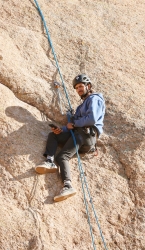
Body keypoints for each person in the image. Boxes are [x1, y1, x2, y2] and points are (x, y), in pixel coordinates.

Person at [35, 74, 105, 202]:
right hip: (79, 134)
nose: (79, 89)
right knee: (53, 135)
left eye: (81, 86)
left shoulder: (94, 99)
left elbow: (92, 119)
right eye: (77, 87)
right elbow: (72, 125)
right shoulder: (80, 107)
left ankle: (68, 186)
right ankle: (49, 161)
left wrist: (74, 124)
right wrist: (62, 130)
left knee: (62, 156)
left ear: (88, 86)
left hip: (86, 135)